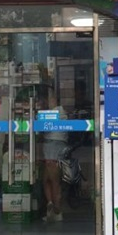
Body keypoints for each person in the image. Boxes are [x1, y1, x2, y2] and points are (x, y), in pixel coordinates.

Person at [39, 90, 68, 222]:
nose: (46, 102)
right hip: (52, 146)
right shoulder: (59, 112)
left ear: (54, 100)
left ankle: (57, 209)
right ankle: (51, 205)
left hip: (53, 145)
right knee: (46, 178)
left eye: (48, 99)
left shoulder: (56, 112)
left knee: (53, 179)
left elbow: (43, 127)